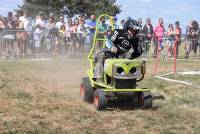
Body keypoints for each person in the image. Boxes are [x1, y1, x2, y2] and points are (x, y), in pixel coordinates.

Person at [94, 17, 143, 82]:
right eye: (131, 30)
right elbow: (108, 40)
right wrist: (112, 47)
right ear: (127, 28)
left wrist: (137, 52)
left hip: (122, 56)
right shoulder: (118, 32)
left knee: (129, 55)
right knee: (101, 56)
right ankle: (98, 78)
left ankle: (128, 79)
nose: (132, 32)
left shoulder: (135, 39)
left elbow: (138, 52)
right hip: (110, 53)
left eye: (134, 31)